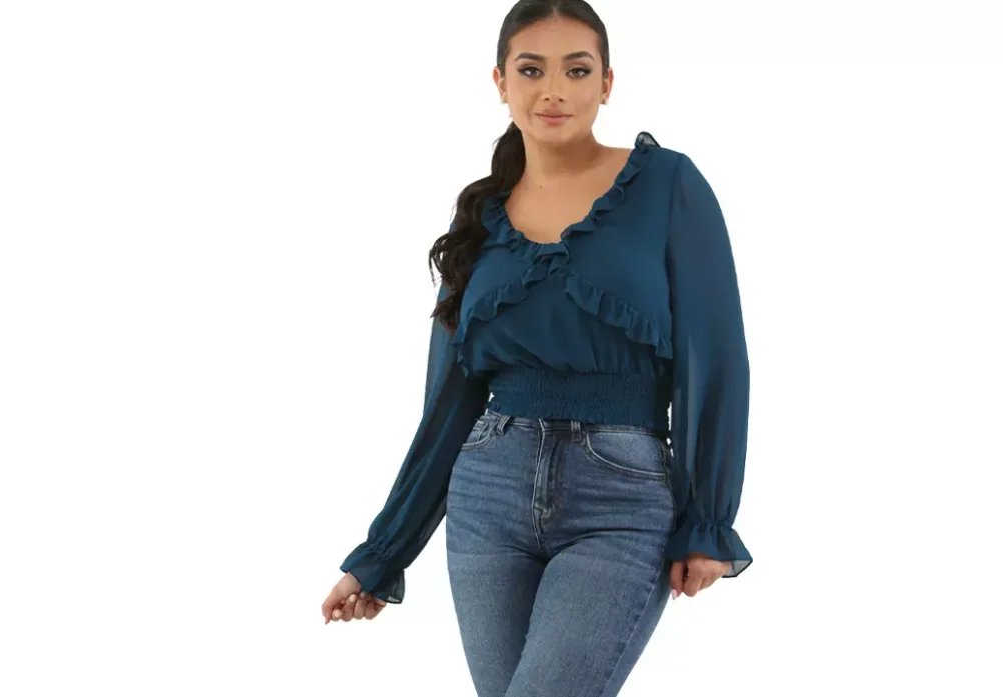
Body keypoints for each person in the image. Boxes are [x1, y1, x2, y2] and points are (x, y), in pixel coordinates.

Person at [322, 1, 753, 694]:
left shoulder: (668, 186)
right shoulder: (480, 216)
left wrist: (707, 519)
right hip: (486, 493)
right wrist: (383, 551)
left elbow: (718, 359)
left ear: (606, 83)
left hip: (621, 496)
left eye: (576, 70)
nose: (553, 90)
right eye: (531, 70)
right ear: (500, 82)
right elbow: (449, 403)